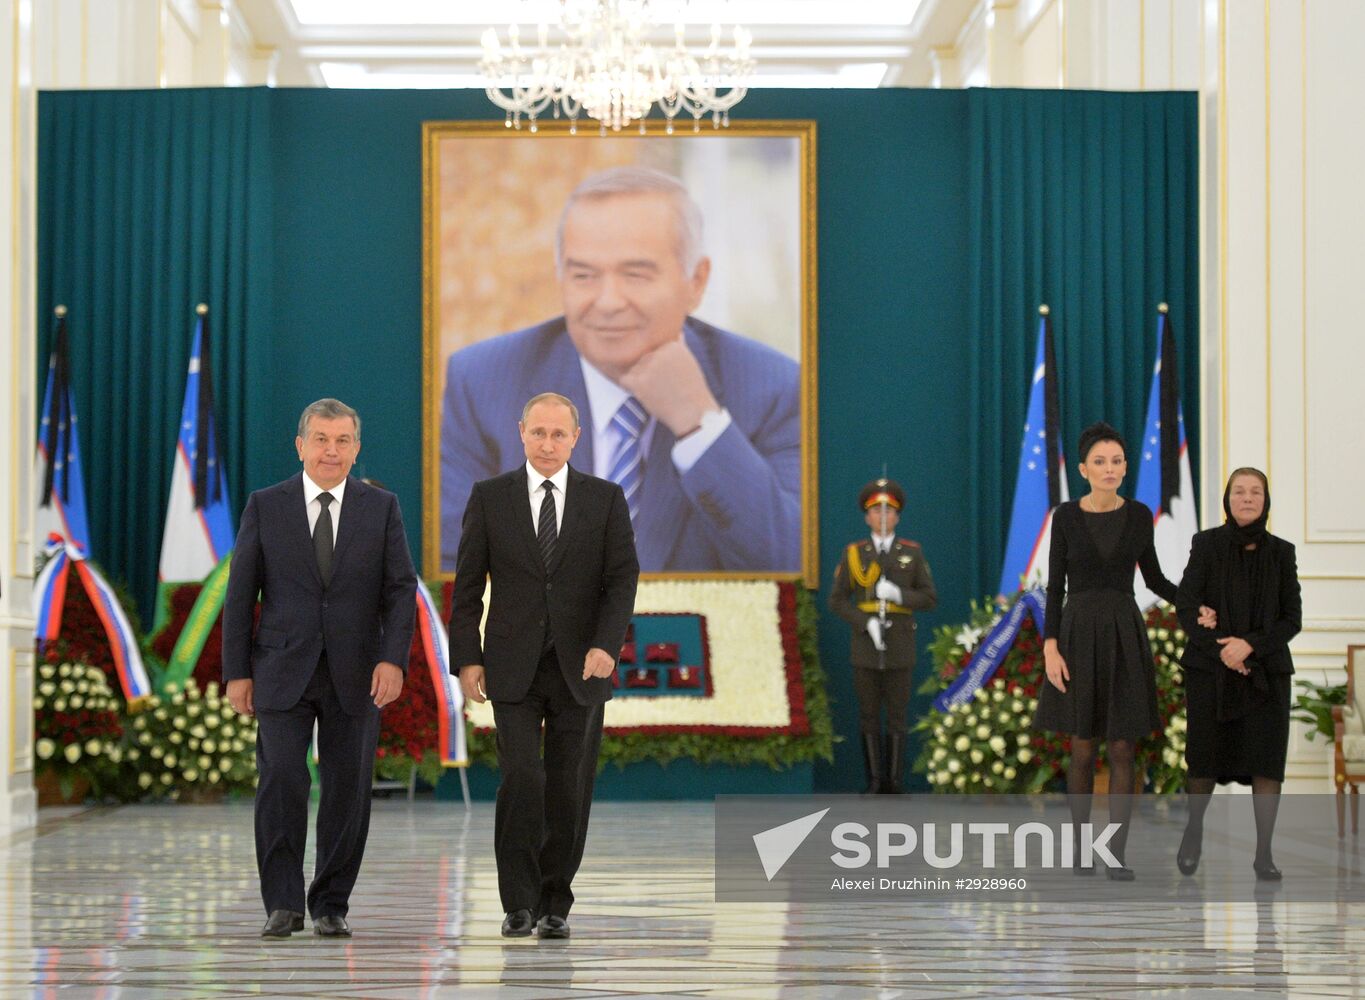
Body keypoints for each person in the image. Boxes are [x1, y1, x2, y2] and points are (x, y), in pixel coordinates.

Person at [440, 165, 800, 574]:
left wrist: (700, 423)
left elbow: (792, 571)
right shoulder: (482, 381)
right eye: (584, 275)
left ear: (696, 281)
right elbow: (453, 571)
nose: (608, 301)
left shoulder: (774, 388)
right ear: (560, 277)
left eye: (635, 274)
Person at [222, 398, 417, 938]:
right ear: (300, 445)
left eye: (343, 441)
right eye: (321, 439)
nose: (331, 450)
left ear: (356, 450)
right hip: (282, 669)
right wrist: (237, 671)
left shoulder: (381, 508)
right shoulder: (267, 505)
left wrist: (392, 659)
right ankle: (281, 903)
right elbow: (241, 595)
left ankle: (330, 903)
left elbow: (400, 592)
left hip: (358, 673)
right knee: (282, 778)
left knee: (347, 790)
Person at [450, 392, 639, 940]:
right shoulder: (490, 498)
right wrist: (467, 658)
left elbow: (621, 579)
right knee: (522, 778)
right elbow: (466, 589)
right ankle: (518, 902)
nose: (548, 443)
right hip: (511, 666)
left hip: (582, 667)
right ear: (521, 432)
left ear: (576, 437)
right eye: (539, 433)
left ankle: (556, 901)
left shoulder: (605, 499)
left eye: (559, 434)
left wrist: (607, 644)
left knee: (568, 785)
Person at [1036, 421, 1181, 879]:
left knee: (1122, 747)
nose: (1110, 468)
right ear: (1083, 469)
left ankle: (1115, 852)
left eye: (1117, 461)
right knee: (1082, 746)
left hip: (1122, 632)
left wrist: (1196, 601)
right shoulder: (1065, 516)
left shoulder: (1139, 514)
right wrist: (1050, 647)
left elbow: (1155, 579)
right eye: (1100, 461)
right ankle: (1081, 849)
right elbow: (1054, 585)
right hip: (1077, 634)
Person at [1173, 467, 1302, 881]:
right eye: (1240, 491)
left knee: (1266, 763)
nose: (1247, 498)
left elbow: (1291, 619)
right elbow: (1187, 605)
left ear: (1266, 501)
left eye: (1256, 492)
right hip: (1211, 672)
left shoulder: (1282, 552)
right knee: (1205, 760)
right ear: (1228, 498)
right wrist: (1222, 650)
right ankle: (1194, 833)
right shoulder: (1205, 544)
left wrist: (1249, 646)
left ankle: (1264, 853)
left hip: (1266, 674)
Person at [829, 478, 937, 794]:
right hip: (865, 645)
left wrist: (899, 595)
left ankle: (895, 782)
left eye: (890, 511)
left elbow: (930, 599)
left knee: (898, 715)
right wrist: (864, 622)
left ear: (898, 517)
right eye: (877, 511)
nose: (883, 516)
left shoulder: (911, 554)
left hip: (900, 644)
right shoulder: (854, 554)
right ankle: (875, 781)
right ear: (868, 517)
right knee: (868, 714)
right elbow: (836, 600)